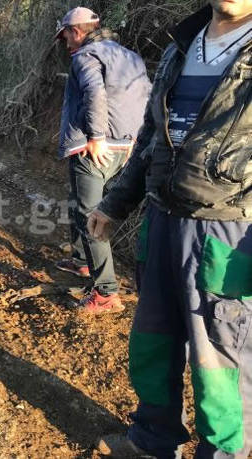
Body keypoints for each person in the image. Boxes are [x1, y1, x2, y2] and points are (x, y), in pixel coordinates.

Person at [90, 1, 252, 457]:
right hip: (160, 221)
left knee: (220, 357)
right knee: (152, 342)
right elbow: (152, 136)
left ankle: (223, 453)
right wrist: (117, 201)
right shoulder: (185, 43)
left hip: (228, 230)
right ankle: (153, 439)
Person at [53, 7, 151, 314]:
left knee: (89, 215)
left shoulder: (85, 56)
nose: (65, 42)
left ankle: (106, 292)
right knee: (80, 201)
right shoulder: (129, 56)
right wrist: (138, 138)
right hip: (128, 147)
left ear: (77, 31)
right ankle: (82, 261)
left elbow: (94, 93)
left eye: (66, 35)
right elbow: (146, 95)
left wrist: (95, 136)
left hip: (95, 149)